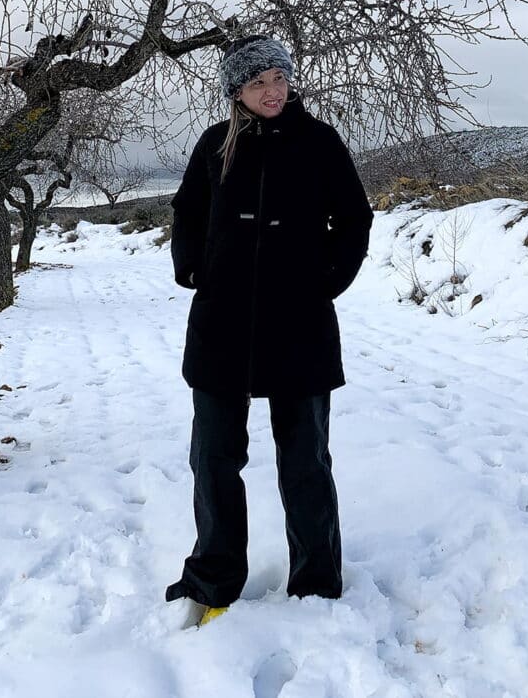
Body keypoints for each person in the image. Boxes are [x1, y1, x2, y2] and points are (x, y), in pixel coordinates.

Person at [165, 34, 373, 623]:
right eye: (258, 82)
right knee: (213, 459)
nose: (273, 90)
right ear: (237, 90)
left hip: (299, 326)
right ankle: (214, 577)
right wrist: (193, 266)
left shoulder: (319, 140)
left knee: (305, 459)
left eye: (279, 77)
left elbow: (354, 218)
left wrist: (324, 280)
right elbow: (187, 210)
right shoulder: (215, 144)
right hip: (221, 326)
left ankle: (316, 581)